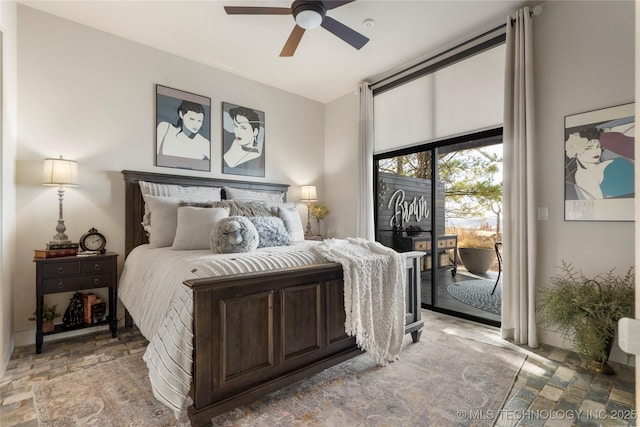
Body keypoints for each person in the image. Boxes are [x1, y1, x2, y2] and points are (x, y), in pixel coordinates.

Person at [565, 126, 634, 200]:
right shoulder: (583, 176)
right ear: (574, 152)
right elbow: (598, 204)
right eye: (589, 148)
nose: (596, 151)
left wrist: (607, 130)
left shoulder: (615, 161)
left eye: (598, 146)